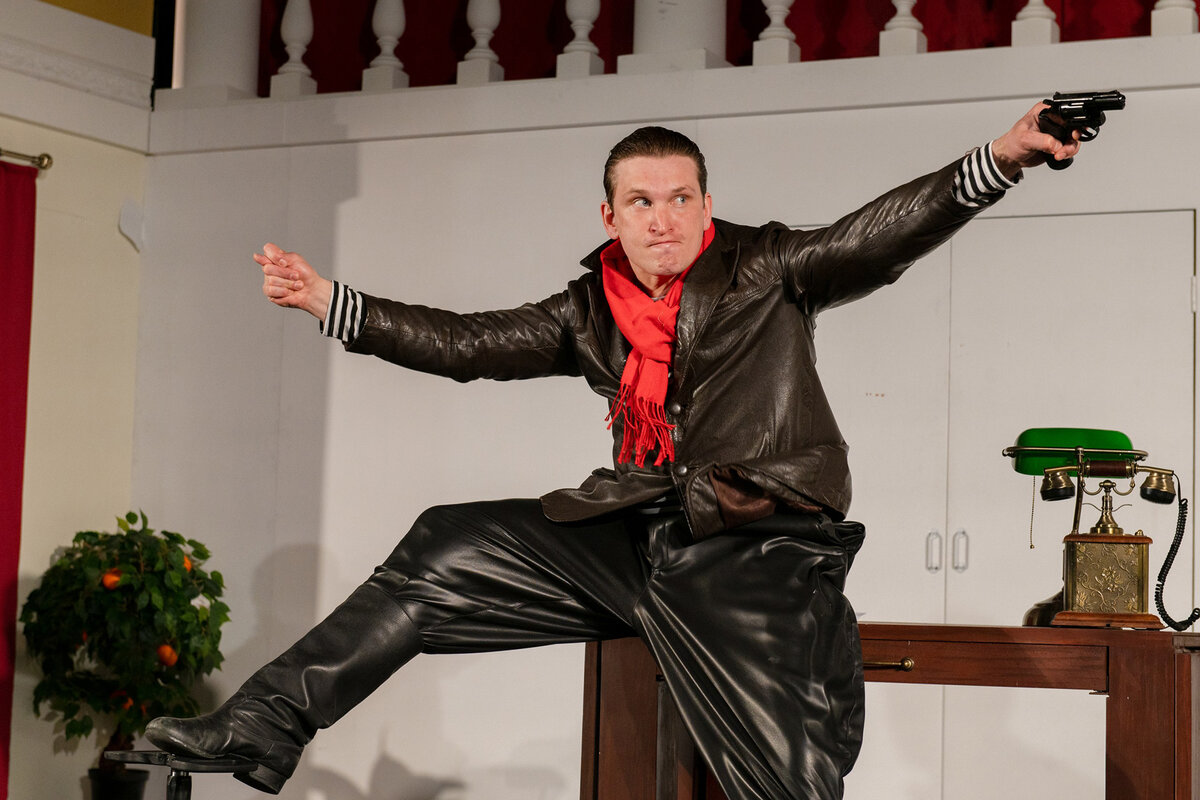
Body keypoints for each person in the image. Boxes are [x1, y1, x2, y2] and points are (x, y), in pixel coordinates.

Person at [146, 102, 1081, 799]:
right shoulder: (588, 308)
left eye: (680, 199)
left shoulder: (767, 267)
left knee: (785, 779)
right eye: (642, 201)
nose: (662, 219)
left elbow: (880, 234)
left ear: (707, 206)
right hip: (642, 529)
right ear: (611, 216)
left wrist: (1004, 156)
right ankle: (263, 724)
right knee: (445, 545)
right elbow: (467, 344)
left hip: (756, 545)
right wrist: (330, 302)